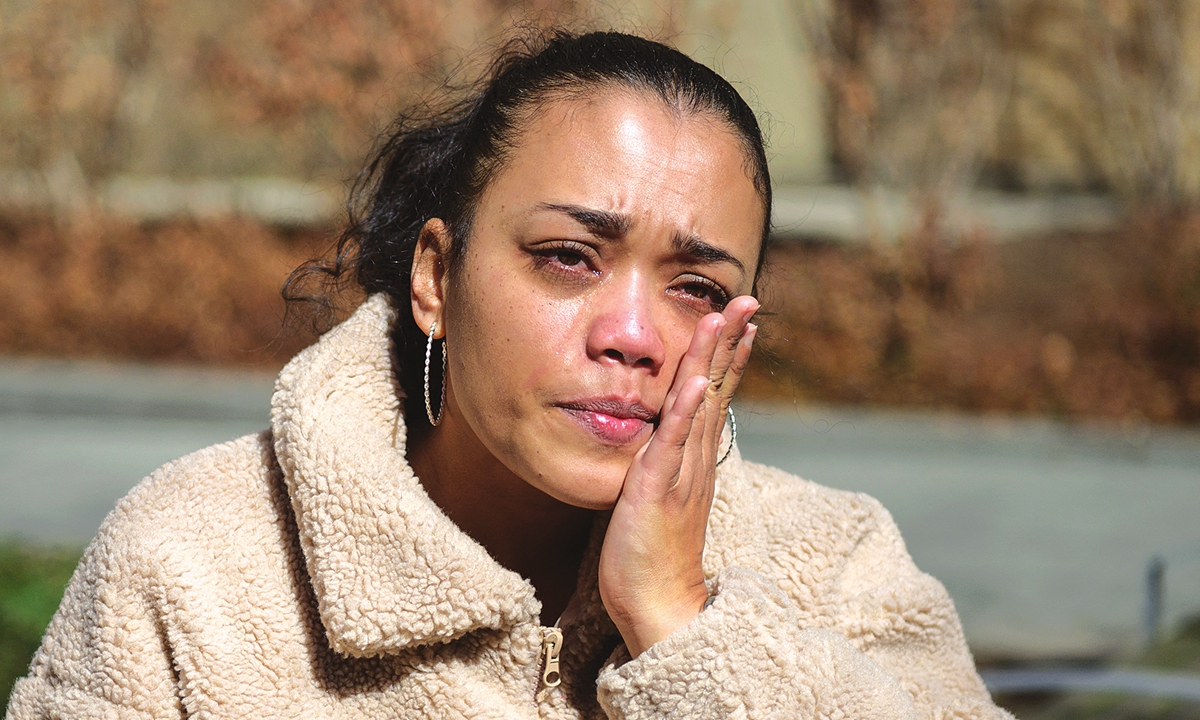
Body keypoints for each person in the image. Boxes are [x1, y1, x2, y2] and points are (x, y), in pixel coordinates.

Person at [7, 30, 1011, 719]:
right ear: (437, 278)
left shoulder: (834, 568)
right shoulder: (198, 565)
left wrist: (681, 624)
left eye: (698, 288)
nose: (632, 336)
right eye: (569, 257)